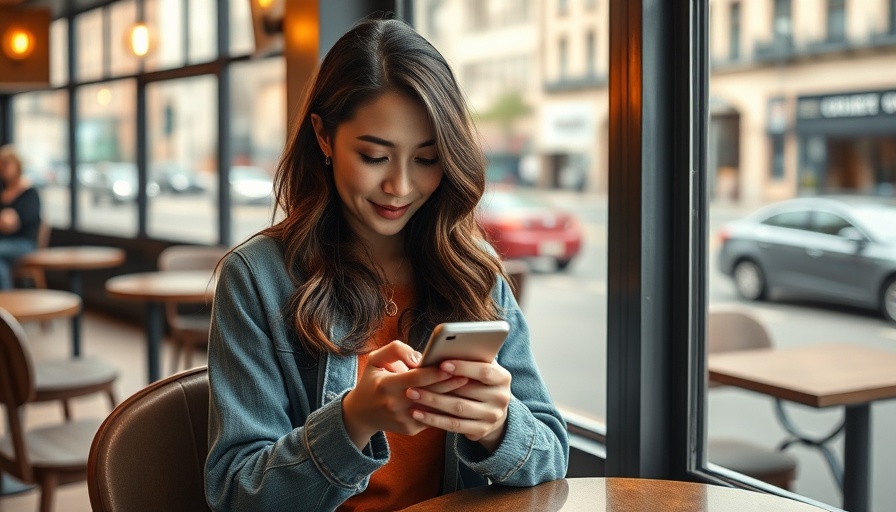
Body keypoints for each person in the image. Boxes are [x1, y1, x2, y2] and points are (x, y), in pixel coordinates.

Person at [205, 15, 568, 512]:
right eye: (375, 156)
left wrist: (500, 424)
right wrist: (353, 419)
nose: (400, 186)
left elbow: (551, 455)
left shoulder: (473, 272)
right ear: (324, 138)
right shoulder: (257, 280)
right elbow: (236, 492)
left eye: (426, 158)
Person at [0, 145, 41, 290]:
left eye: (6, 163)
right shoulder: (3, 192)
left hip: (24, 244)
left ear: (17, 165)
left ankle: (6, 304)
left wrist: (7, 221)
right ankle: (5, 306)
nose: (3, 168)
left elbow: (13, 223)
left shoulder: (29, 192)